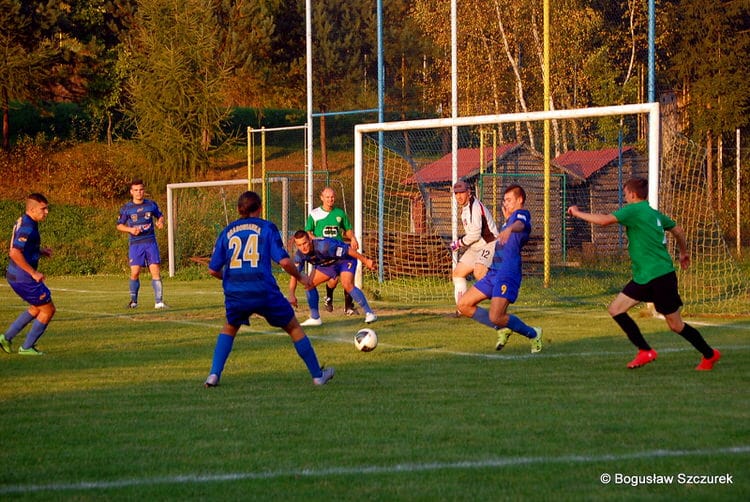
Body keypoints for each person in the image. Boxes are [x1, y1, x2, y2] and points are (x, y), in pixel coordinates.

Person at [567, 177, 721, 371]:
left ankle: (709, 354)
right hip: (651, 276)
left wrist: (577, 212)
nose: (625, 198)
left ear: (631, 194)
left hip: (656, 276)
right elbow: (678, 230)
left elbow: (605, 220)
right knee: (617, 309)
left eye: (625, 195)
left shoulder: (634, 210)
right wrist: (683, 252)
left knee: (675, 325)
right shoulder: (653, 213)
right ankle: (646, 351)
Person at [204, 191, 334, 387]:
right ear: (260, 208)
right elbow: (283, 261)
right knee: (293, 328)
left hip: (236, 292)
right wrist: (300, 276)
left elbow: (213, 270)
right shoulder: (266, 228)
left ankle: (213, 375)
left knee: (230, 328)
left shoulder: (227, 230)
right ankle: (317, 376)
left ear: (239, 209)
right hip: (263, 289)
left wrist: (231, 279)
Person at [457, 184, 542, 353]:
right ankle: (501, 327)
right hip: (494, 273)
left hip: (507, 274)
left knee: (496, 316)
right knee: (464, 305)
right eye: (504, 200)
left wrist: (510, 227)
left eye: (509, 200)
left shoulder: (521, 215)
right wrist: (506, 224)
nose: (506, 203)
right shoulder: (508, 221)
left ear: (520, 200)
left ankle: (533, 333)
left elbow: (520, 225)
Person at [1, 193, 56, 356]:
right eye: (43, 209)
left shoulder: (26, 221)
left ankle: (6, 337)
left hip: (15, 275)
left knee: (36, 308)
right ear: (32, 209)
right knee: (48, 309)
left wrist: (40, 251)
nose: (46, 212)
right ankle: (26, 347)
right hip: (23, 276)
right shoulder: (28, 226)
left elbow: (23, 248)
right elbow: (14, 252)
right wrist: (33, 272)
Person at [289, 230, 378, 326]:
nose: (303, 247)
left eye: (305, 243)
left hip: (344, 259)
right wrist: (291, 294)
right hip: (327, 265)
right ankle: (315, 318)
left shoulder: (324, 246)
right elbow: (294, 274)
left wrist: (366, 261)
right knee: (309, 285)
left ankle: (369, 313)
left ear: (310, 240)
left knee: (347, 284)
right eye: (299, 245)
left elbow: (348, 250)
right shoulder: (299, 255)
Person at [305, 186, 359, 315]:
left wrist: (353, 238)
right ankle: (328, 298)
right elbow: (308, 231)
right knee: (333, 281)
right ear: (322, 198)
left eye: (332, 197)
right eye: (327, 197)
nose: (330, 199)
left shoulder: (340, 213)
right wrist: (317, 240)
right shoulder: (314, 214)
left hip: (340, 251)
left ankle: (348, 307)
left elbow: (347, 229)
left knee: (347, 279)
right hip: (323, 253)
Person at [116, 179, 167, 309]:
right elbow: (119, 226)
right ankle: (133, 301)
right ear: (131, 192)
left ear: (144, 191)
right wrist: (130, 229)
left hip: (150, 242)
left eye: (141, 189)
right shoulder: (126, 208)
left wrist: (160, 222)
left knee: (155, 271)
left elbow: (160, 216)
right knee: (135, 272)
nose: (139, 192)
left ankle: (159, 302)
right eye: (136, 190)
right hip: (135, 244)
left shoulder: (151, 204)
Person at [450, 181, 499, 306]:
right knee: (458, 273)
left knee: (479, 273)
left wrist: (458, 243)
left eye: (462, 193)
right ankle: (462, 309)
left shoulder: (475, 207)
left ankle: (501, 297)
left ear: (469, 192)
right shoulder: (465, 209)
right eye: (456, 193)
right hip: (476, 246)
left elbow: (475, 234)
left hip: (489, 244)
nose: (459, 196)